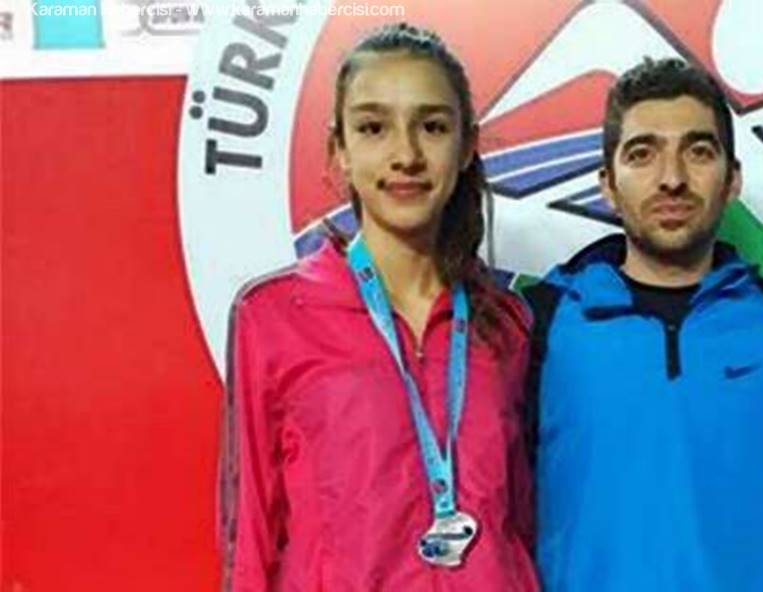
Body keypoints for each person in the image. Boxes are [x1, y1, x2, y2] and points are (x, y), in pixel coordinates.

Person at [216, 23, 538, 591]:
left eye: (432, 127)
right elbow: (251, 538)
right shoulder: (275, 316)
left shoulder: (507, 322)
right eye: (373, 128)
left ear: (466, 146)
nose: (406, 155)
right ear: (339, 150)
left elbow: (524, 525)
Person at [522, 57, 763, 591]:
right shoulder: (541, 325)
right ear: (607, 184)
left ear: (732, 179)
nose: (671, 179)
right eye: (642, 154)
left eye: (698, 151)